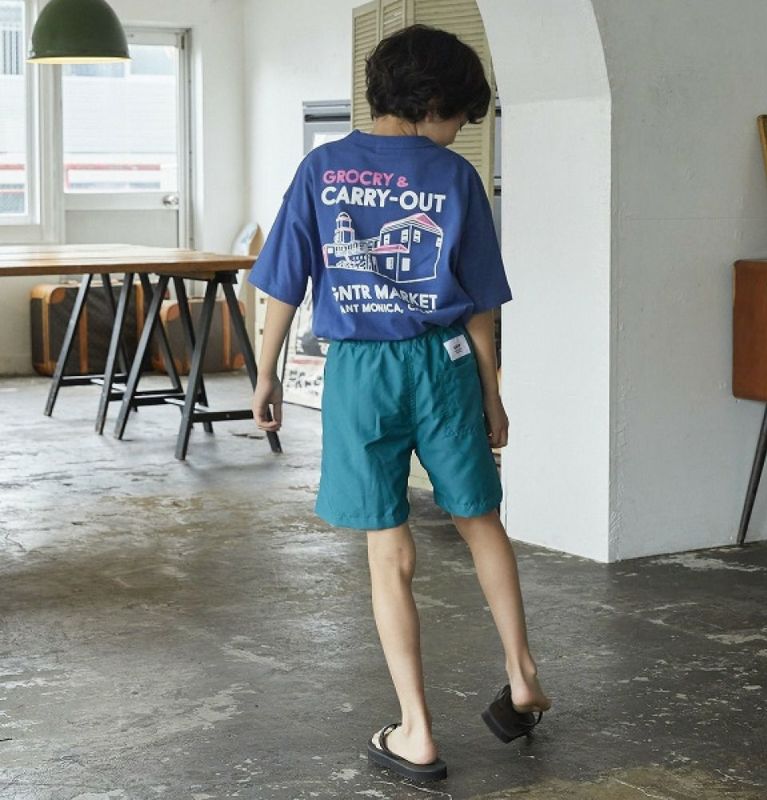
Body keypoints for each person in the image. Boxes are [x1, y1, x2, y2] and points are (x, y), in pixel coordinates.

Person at [249, 23, 551, 784]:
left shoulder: (322, 168)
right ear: (435, 101)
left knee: (389, 547)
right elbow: (479, 306)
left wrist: (266, 372)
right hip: (445, 364)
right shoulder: (454, 178)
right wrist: (493, 395)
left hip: (360, 373)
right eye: (460, 117)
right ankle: (522, 676)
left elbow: (283, 281)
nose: (458, 132)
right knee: (480, 519)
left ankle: (416, 732)